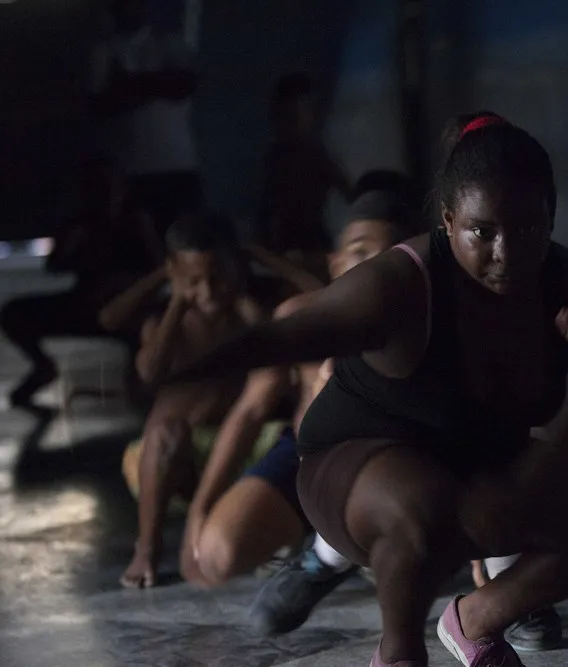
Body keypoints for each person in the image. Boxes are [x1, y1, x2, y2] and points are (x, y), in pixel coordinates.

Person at [160, 112, 568, 667]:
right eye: (483, 232)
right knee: (423, 501)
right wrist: (175, 371)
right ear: (448, 220)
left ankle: (474, 622)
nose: (507, 253)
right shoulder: (400, 281)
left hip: (476, 467)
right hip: (352, 470)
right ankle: (398, 652)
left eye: (527, 230)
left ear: (551, 219)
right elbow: (286, 336)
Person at [175, 179, 422, 639]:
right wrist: (200, 509)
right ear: (335, 262)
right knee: (217, 554)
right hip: (307, 459)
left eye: (389, 253)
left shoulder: (426, 322)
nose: (372, 264)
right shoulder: (301, 316)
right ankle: (322, 544)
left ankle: (338, 551)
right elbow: (250, 411)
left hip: (395, 468)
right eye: (359, 251)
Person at [119, 212, 264, 589]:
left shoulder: (247, 316)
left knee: (289, 433)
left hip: (237, 454)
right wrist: (176, 305)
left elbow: (281, 345)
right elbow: (150, 373)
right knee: (165, 432)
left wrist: (247, 296)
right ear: (175, 274)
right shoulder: (165, 325)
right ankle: (148, 546)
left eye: (218, 277)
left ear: (235, 269)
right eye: (194, 281)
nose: (208, 290)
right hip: (171, 463)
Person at [0, 156, 161, 408]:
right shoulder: (80, 225)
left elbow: (160, 268)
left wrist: (125, 284)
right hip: (84, 306)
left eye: (109, 186)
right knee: (13, 313)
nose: (104, 194)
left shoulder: (136, 222)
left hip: (128, 306)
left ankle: (142, 385)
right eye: (96, 187)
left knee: (144, 332)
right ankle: (42, 367)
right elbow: (54, 265)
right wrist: (71, 245)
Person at [88, 0, 201, 239]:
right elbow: (103, 103)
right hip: (129, 173)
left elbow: (185, 85)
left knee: (188, 242)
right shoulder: (103, 51)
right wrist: (159, 82)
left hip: (178, 167)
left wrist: (130, 84)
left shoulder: (170, 44)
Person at [257, 72, 353, 276]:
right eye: (286, 117)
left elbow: (352, 194)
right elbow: (268, 206)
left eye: (297, 116)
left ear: (311, 115)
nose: (291, 124)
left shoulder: (318, 157)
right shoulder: (273, 159)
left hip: (314, 245)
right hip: (282, 249)